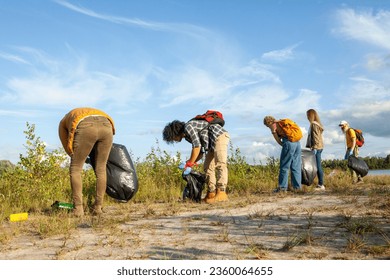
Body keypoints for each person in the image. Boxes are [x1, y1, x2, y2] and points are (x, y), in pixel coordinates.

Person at [59, 107, 115, 216]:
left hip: (86, 126)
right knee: (101, 169)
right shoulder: (83, 112)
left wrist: (75, 156)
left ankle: (78, 209)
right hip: (107, 125)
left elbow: (68, 146)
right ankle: (98, 207)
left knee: (75, 168)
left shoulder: (62, 123)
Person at [162, 117, 230, 203]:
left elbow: (196, 147)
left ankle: (221, 192)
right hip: (211, 143)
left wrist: (190, 162)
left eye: (172, 138)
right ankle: (211, 193)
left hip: (219, 136)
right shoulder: (187, 137)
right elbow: (200, 153)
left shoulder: (188, 127)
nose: (174, 141)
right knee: (207, 167)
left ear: (174, 133)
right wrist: (189, 163)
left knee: (220, 163)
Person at [263, 116, 302, 193]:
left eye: (267, 125)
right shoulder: (281, 122)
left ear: (268, 122)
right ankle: (297, 188)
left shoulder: (273, 126)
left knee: (284, 166)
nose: (268, 127)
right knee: (296, 166)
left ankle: (282, 188)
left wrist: (283, 144)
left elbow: (278, 140)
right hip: (297, 143)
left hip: (288, 143)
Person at [306, 109, 325, 190]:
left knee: (318, 166)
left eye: (307, 115)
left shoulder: (313, 124)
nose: (307, 117)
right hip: (319, 147)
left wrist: (314, 147)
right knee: (317, 166)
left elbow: (316, 137)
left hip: (317, 147)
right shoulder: (317, 124)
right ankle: (320, 184)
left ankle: (321, 185)